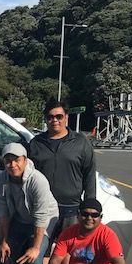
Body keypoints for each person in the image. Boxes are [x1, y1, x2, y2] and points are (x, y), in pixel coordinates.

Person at [29, 99, 96, 238]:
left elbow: (89, 175)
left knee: (68, 253)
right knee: (42, 251)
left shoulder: (81, 142)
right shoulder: (36, 143)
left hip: (71, 208)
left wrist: (90, 205)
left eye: (59, 116)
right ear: (46, 119)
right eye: (50, 117)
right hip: (43, 207)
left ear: (66, 117)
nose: (55, 120)